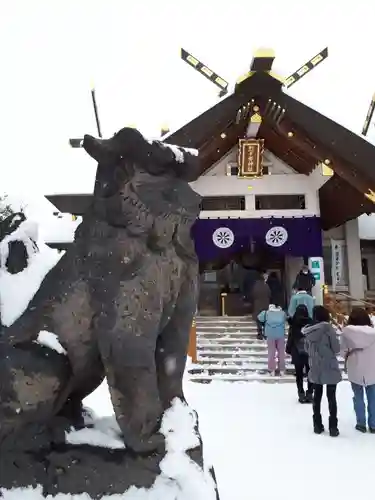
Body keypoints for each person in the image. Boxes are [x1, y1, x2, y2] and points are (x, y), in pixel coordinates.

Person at [304, 305, 341, 437]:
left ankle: (317, 425)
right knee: (331, 397)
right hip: (329, 365)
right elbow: (336, 348)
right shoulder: (328, 329)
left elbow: (307, 349)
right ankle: (333, 427)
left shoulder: (308, 331)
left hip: (315, 366)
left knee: (317, 396)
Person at [341, 308, 375, 433]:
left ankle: (361, 423)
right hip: (373, 368)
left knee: (358, 397)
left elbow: (343, 351)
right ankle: (373, 424)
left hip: (355, 368)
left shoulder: (347, 333)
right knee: (373, 398)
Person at [286, 304, 314, 403]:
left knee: (299, 374)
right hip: (309, 351)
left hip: (296, 351)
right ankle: (310, 393)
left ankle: (301, 393)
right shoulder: (311, 323)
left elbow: (290, 338)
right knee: (311, 372)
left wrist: (288, 349)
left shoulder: (293, 323)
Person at [258, 304, 287, 376]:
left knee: (271, 353)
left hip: (270, 335)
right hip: (280, 334)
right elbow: (285, 319)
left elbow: (259, 318)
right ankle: (282, 369)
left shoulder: (266, 313)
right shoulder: (282, 313)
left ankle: (272, 370)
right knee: (281, 353)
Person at [252, 271, 271, 340]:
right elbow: (269, 294)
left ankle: (260, 334)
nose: (267, 277)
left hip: (257, 305)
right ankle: (265, 334)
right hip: (265, 304)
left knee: (259, 320)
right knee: (265, 319)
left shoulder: (256, 285)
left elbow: (253, 294)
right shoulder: (266, 285)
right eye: (266, 276)